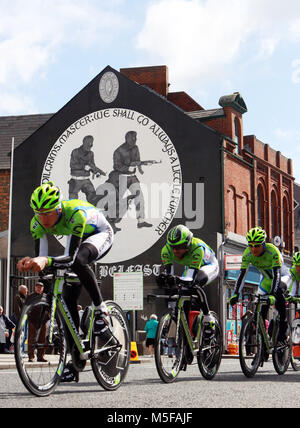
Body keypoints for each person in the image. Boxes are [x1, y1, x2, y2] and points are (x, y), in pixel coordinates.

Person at [17, 181, 116, 381]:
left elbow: (70, 257)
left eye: (47, 213)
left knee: (79, 261)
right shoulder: (36, 223)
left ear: (58, 208)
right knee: (66, 297)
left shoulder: (75, 214)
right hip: (77, 240)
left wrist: (45, 260)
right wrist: (32, 263)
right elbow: (43, 261)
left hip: (99, 234)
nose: (43, 218)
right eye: (39, 213)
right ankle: (75, 358)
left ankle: (101, 310)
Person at [229, 226, 289, 342]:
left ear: (263, 244)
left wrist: (272, 294)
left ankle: (283, 327)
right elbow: (242, 276)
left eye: (257, 245)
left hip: (282, 277)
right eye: (250, 245)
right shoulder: (247, 254)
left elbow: (277, 274)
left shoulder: (273, 251)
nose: (253, 249)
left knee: (277, 294)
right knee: (259, 312)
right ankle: (263, 343)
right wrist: (236, 294)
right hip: (266, 281)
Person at [158, 224, 219, 332]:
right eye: (173, 247)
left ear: (188, 243)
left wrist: (176, 279)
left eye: (180, 247)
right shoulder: (166, 251)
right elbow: (169, 275)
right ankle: (185, 333)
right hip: (191, 265)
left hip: (208, 265)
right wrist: (165, 279)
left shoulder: (197, 248)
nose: (176, 251)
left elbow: (190, 278)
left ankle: (207, 317)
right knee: (182, 290)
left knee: (195, 283)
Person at [68, 135, 106, 205]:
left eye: (90, 145)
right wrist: (83, 167)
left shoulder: (91, 154)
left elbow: (92, 166)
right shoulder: (75, 152)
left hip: (86, 180)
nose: (89, 148)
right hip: (76, 180)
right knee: (72, 201)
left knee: (93, 197)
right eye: (87, 145)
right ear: (83, 143)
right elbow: (72, 165)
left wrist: (96, 172)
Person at [27, 282, 48, 362]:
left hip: (43, 320)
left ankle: (40, 356)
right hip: (32, 320)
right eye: (38, 287)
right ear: (35, 287)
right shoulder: (30, 296)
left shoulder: (45, 296)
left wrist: (48, 316)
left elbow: (49, 307)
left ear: (43, 288)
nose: (39, 288)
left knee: (42, 339)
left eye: (41, 287)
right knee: (31, 339)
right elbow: (26, 307)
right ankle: (31, 356)